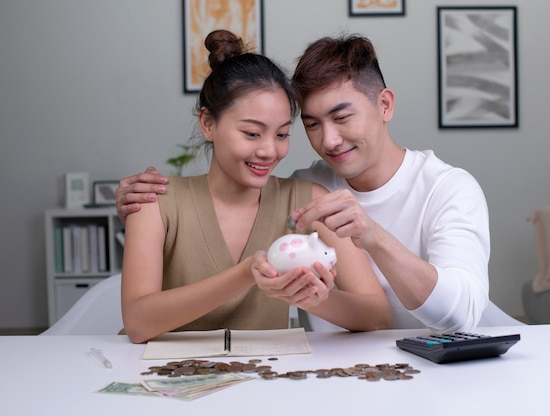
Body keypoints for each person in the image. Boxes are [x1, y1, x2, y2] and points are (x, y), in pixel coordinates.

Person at [116, 33, 490, 332]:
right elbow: (138, 320)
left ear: (385, 105)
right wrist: (249, 274)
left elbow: (411, 314)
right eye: (311, 125)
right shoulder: (308, 191)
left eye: (282, 134)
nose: (328, 141)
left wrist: (318, 287)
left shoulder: (444, 189)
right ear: (208, 124)